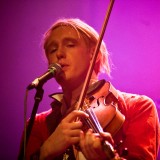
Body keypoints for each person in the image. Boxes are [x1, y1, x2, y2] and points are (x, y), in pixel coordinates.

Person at [19, 18, 160, 160]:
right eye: (52, 50)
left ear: (94, 54)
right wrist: (46, 151)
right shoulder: (37, 124)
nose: (59, 53)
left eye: (70, 45)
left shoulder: (137, 107)